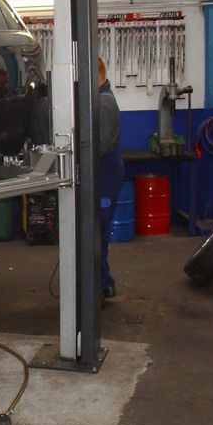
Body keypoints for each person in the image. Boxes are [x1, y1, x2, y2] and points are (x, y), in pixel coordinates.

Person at [97, 57, 124, 302]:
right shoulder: (98, 99)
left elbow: (102, 145)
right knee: (95, 232)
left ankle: (103, 285)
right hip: (102, 175)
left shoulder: (104, 103)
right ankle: (101, 282)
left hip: (105, 177)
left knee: (98, 231)